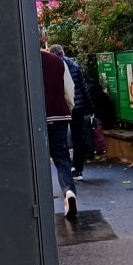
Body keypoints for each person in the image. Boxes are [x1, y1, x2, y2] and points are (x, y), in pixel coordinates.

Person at [41, 41, 78, 219]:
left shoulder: (21, 61)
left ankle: (40, 201)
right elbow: (69, 90)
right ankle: (69, 192)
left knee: (35, 160)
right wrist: (68, 108)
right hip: (58, 116)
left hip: (33, 119)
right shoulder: (57, 61)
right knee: (61, 157)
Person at [51, 44, 93, 180]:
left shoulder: (54, 68)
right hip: (78, 107)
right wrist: (90, 107)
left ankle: (67, 167)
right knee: (77, 138)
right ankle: (78, 169)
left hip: (63, 108)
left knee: (62, 138)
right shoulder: (74, 66)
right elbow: (84, 87)